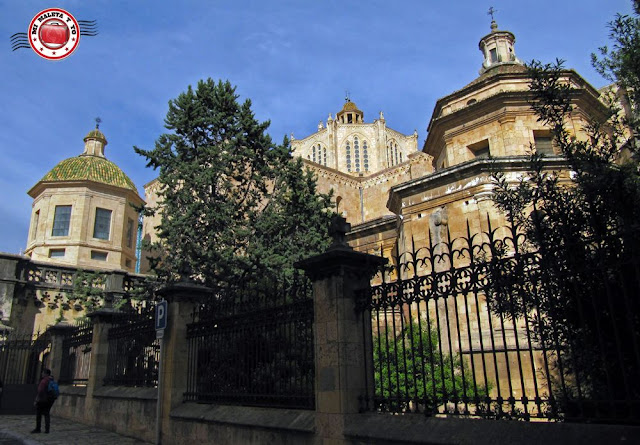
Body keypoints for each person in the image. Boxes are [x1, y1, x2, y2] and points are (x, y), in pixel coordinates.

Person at [32, 368, 54, 434]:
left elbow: (40, 391)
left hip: (42, 400)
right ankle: (47, 429)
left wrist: (36, 400)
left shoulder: (44, 381)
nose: (42, 374)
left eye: (43, 372)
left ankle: (38, 428)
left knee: (39, 414)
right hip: (49, 400)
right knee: (47, 414)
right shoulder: (51, 380)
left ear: (46, 374)